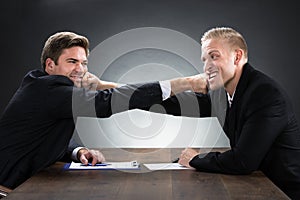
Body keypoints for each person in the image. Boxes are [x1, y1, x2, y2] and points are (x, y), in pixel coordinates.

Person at [0, 31, 207, 191]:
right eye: (72, 62)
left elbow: (40, 135)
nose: (80, 69)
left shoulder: (41, 86)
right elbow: (108, 103)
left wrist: (77, 151)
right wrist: (186, 82)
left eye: (84, 63)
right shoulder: (49, 90)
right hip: (10, 190)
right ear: (50, 65)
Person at [172, 27, 300, 199]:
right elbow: (179, 104)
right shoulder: (222, 94)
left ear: (237, 57)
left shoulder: (265, 94)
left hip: (283, 192)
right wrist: (130, 94)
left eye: (214, 56)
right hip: (255, 185)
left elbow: (243, 161)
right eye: (205, 60)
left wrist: (195, 159)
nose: (206, 67)